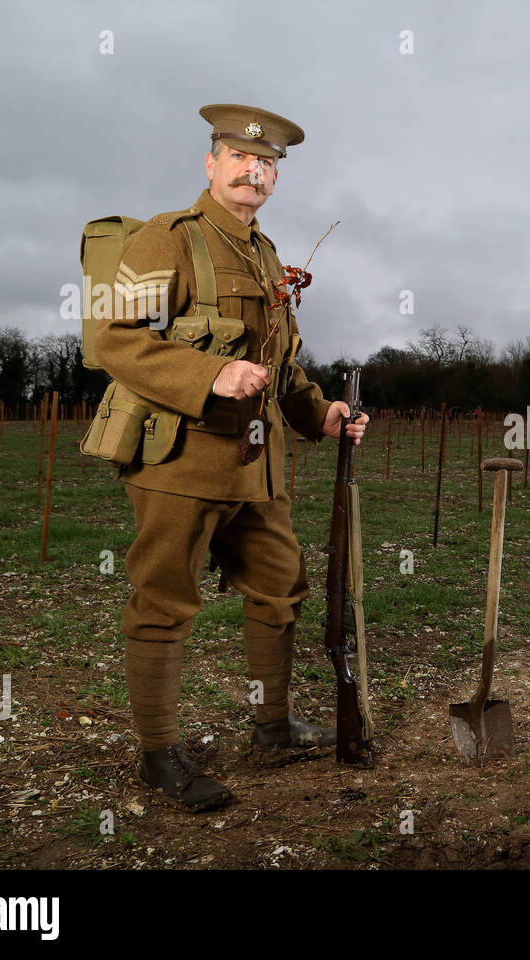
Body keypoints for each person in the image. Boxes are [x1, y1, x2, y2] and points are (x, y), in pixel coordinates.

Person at [96, 103, 369, 812]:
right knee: (164, 602)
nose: (254, 171)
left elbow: (280, 363)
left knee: (281, 587)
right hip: (181, 459)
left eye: (268, 163)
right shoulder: (167, 239)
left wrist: (324, 417)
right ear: (211, 164)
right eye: (240, 158)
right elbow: (116, 340)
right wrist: (206, 375)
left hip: (258, 465)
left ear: (276, 179)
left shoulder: (266, 252)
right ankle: (159, 754)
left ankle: (271, 727)